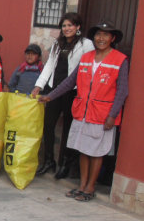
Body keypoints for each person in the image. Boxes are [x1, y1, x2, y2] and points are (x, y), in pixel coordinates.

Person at [39, 21, 129, 202]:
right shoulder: (87, 57)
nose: (101, 38)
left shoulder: (120, 60)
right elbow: (70, 81)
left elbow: (122, 90)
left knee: (96, 152)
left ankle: (90, 187)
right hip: (83, 112)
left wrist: (112, 115)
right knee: (83, 150)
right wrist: (51, 96)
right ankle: (81, 185)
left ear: (112, 38)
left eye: (105, 35)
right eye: (98, 35)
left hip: (102, 115)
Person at [31, 13, 95, 179]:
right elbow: (49, 66)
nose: (67, 29)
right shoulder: (57, 44)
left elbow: (85, 69)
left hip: (73, 91)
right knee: (48, 125)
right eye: (64, 26)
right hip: (53, 90)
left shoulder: (86, 44)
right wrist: (39, 85)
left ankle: (66, 162)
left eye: (70, 25)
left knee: (68, 127)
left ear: (78, 27)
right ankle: (49, 160)